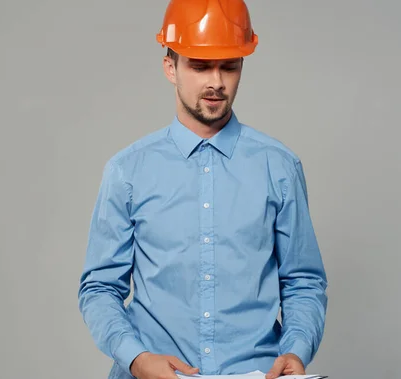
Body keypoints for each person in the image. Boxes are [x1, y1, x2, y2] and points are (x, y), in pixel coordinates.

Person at [78, 1, 328, 378]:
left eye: (229, 66)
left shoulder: (279, 167)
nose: (216, 81)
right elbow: (98, 288)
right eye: (199, 66)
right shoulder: (128, 171)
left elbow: (303, 280)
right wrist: (136, 359)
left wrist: (297, 350)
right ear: (170, 67)